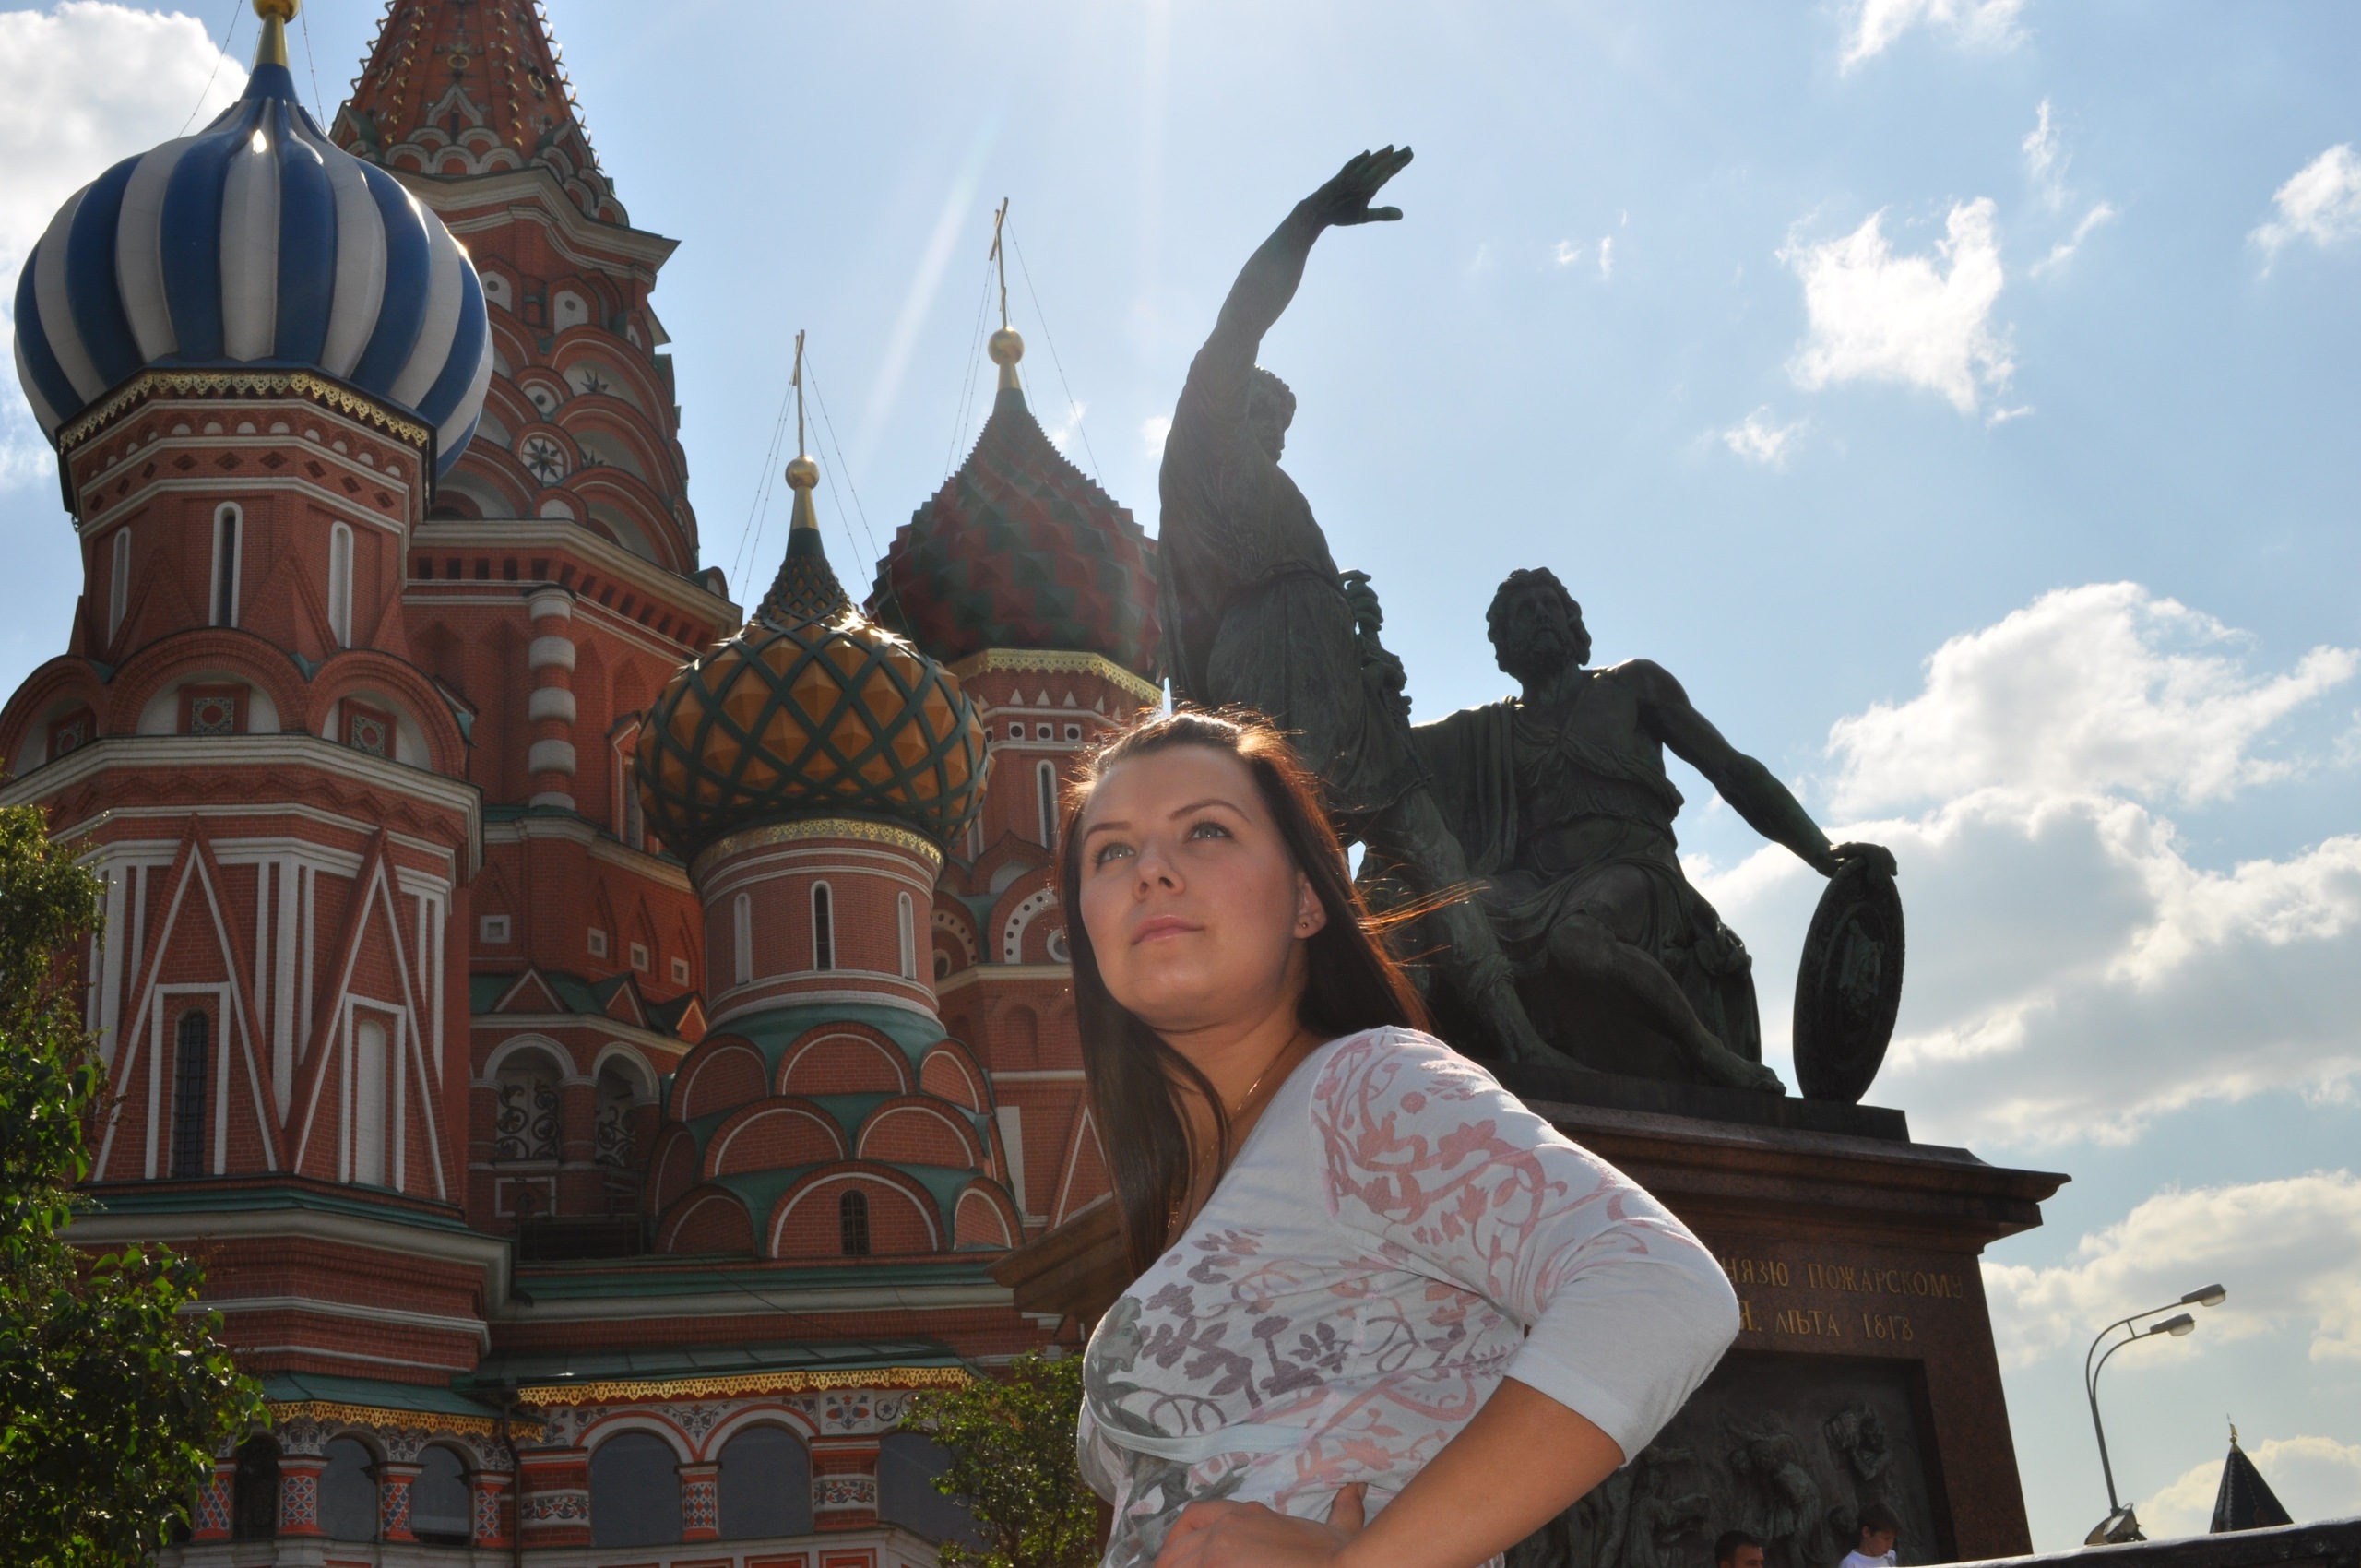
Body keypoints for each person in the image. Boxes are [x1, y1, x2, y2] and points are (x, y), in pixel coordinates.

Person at [1061, 708, 1740, 1568]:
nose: (1151, 870)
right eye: (1111, 851)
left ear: (1308, 900)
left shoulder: (1364, 1087)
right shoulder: (1199, 1188)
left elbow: (1660, 1285)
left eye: (1206, 831)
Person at [1156, 147, 1561, 1068]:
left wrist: (1357, 646)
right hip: (1268, 666)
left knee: (1426, 838)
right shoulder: (1205, 443)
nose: (1273, 432)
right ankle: (1305, 1049)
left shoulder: (1270, 484)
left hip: (1329, 665)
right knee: (1297, 851)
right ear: (1230, 405)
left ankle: (1517, 1041)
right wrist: (1312, 218)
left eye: (1281, 423)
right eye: (1261, 413)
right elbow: (1243, 314)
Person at [1397, 568, 1893, 1091]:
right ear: (1503, 644)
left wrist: (1820, 849)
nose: (1541, 615)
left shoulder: (1632, 686)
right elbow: (1387, 747)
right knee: (1436, 908)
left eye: (1550, 605)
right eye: (1525, 611)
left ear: (1573, 624)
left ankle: (1707, 1050)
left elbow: (1732, 771)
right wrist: (1366, 658)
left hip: (1637, 871)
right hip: (1536, 884)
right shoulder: (1487, 729)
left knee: (1577, 938)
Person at [1841, 1503, 1902, 1568]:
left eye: (1893, 1539)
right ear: (1866, 1532)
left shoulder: (1891, 1555)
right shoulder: (1850, 1564)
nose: (1890, 1545)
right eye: (1886, 1539)